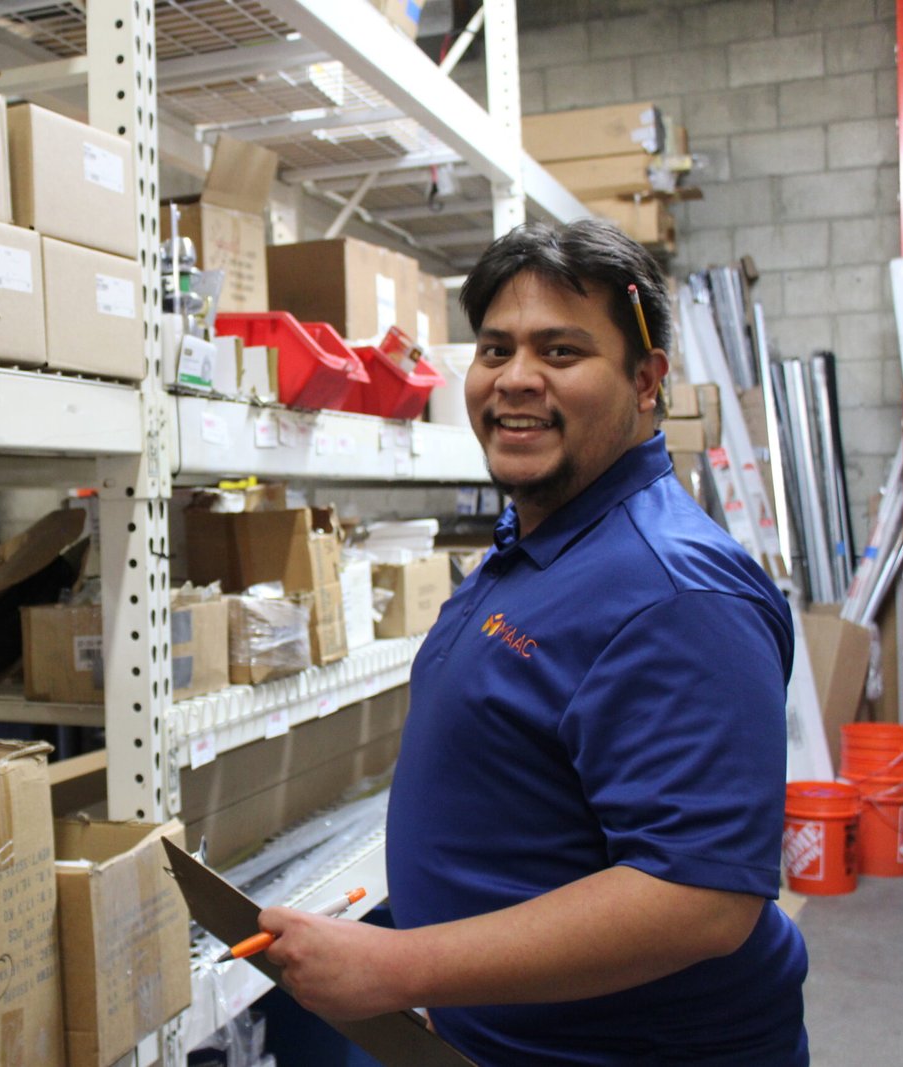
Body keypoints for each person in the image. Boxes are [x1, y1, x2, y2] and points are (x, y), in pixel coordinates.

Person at [257, 219, 808, 1065]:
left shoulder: (677, 593)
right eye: (495, 349)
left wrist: (402, 965)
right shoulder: (547, 539)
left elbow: (698, 896)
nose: (515, 380)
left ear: (647, 380)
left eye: (560, 352)